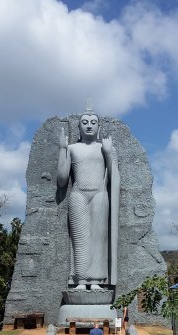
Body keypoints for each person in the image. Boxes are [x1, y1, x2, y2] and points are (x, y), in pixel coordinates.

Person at [57, 101, 119, 290]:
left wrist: (108, 153)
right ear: (79, 127)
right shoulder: (73, 148)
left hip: (99, 195)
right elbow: (61, 180)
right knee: (80, 238)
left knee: (98, 239)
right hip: (78, 195)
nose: (90, 125)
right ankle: (81, 281)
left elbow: (114, 178)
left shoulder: (106, 148)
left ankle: (96, 281)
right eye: (85, 122)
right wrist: (62, 148)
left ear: (99, 127)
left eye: (93, 122)